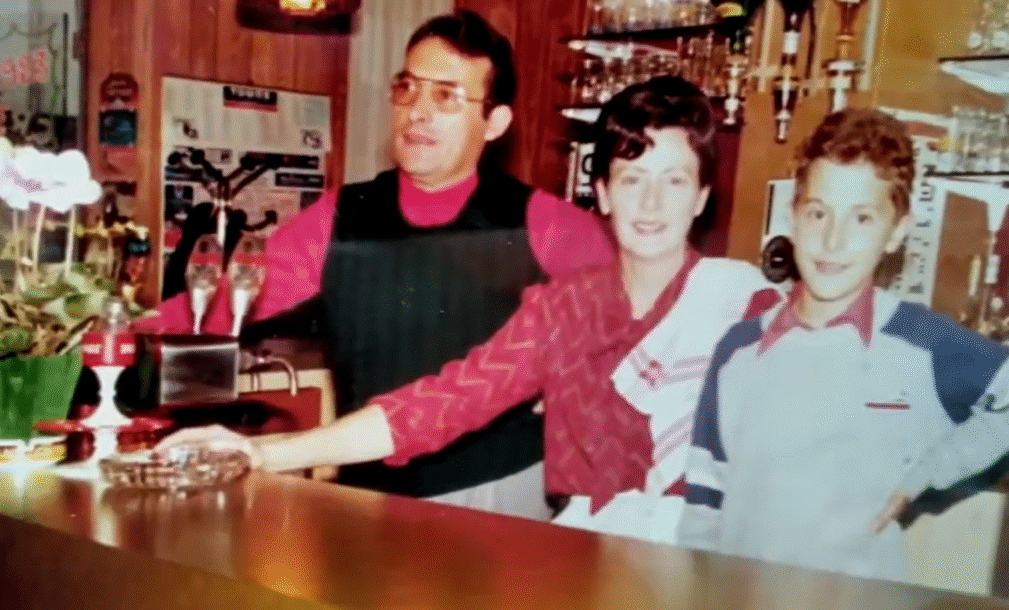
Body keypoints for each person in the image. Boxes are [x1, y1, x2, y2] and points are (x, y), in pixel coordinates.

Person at [158, 76, 780, 543]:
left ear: (701, 197)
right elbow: (435, 406)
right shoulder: (564, 312)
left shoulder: (743, 304)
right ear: (601, 193)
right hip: (598, 559)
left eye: (673, 181)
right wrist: (262, 454)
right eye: (631, 177)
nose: (651, 202)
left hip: (721, 562)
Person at [147, 10, 616, 520]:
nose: (417, 111)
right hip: (365, 487)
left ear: (496, 122)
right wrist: (116, 331)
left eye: (446, 96)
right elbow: (229, 300)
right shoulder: (342, 214)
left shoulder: (545, 223)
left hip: (493, 489)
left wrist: (580, 375)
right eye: (408, 88)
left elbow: (631, 317)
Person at [678, 108, 1009, 582]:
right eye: (818, 213)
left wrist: (929, 470)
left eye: (862, 218)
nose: (832, 240)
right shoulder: (739, 348)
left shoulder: (923, 345)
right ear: (792, 215)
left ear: (896, 230)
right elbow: (705, 498)